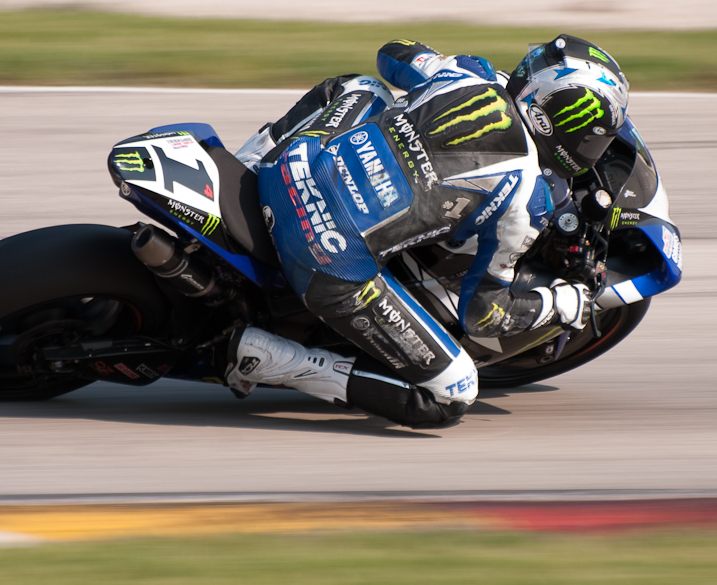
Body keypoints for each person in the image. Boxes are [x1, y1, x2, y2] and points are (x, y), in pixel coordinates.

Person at [225, 35, 630, 429]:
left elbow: (391, 54)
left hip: (288, 168)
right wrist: (562, 304)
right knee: (453, 393)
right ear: (561, 121)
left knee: (361, 86)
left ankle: (243, 168)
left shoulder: (467, 72)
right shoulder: (528, 201)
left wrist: (429, 61)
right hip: (325, 254)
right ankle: (280, 361)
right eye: (594, 138)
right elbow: (484, 316)